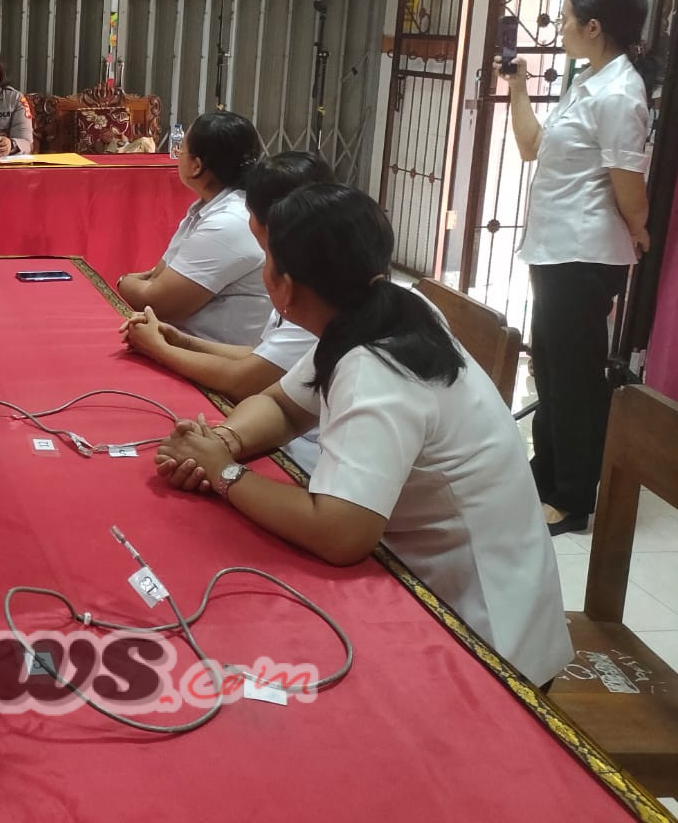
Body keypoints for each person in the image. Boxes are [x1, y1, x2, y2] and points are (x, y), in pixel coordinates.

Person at [154, 184, 573, 686]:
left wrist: (224, 472)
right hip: (437, 578)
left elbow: (339, 533)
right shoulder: (376, 306)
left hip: (482, 632)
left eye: (266, 255)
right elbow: (283, 406)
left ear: (284, 286)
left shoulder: (374, 364)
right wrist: (223, 441)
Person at [500, 0, 652, 536]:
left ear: (594, 27)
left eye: (567, 18)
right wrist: (516, 89)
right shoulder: (588, 81)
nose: (559, 27)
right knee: (552, 368)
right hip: (556, 248)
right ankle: (547, 478)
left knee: (575, 376)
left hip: (586, 255)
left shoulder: (619, 94)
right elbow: (530, 147)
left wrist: (641, 230)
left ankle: (573, 497)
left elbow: (627, 182)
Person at [120, 151, 332, 412]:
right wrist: (180, 341)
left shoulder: (315, 295)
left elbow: (243, 380)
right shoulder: (308, 265)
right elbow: (260, 354)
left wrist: (158, 349)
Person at [115, 110, 269, 346]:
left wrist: (122, 280)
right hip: (189, 346)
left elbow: (156, 303)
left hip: (216, 362)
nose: (178, 156)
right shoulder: (210, 208)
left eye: (182, 150)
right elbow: (158, 276)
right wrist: (147, 285)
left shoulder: (230, 221)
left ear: (197, 166)